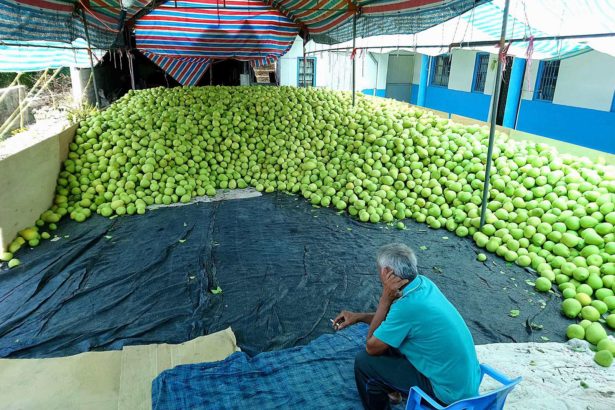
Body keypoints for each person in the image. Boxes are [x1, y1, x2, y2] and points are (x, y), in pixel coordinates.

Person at [333, 243, 481, 409]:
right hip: (466, 384)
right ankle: (393, 391)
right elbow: (395, 321)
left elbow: (371, 346)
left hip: (448, 395)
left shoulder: (408, 305)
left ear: (386, 272)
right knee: (392, 340)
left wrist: (384, 300)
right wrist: (358, 317)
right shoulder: (424, 284)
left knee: (365, 363)